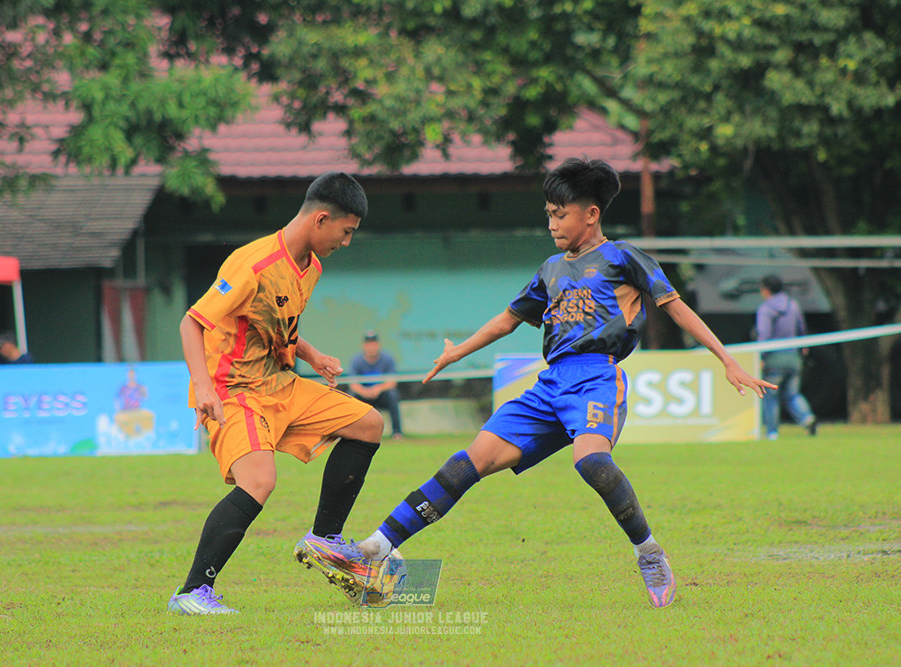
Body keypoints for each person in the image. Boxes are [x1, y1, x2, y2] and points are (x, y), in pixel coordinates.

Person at [313, 157, 775, 610]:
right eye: (549, 214)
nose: (552, 223)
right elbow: (508, 320)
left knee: (592, 462)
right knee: (467, 462)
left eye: (561, 214)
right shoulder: (550, 269)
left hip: (597, 377)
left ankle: (649, 552)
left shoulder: (625, 257)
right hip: (549, 386)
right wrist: (458, 351)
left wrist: (726, 360)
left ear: (591, 214)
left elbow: (677, 308)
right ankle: (375, 547)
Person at [166, 171, 388, 615]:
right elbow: (191, 322)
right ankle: (192, 593)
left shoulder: (312, 267)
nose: (345, 242)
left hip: (280, 383)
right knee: (260, 482)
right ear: (321, 219)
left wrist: (311, 353)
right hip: (235, 391)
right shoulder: (250, 264)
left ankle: (324, 538)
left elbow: (276, 325)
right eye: (345, 232)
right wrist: (204, 387)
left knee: (368, 423)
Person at [756, 274, 817, 439]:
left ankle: (772, 432)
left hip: (774, 359)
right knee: (793, 394)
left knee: (770, 395)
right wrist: (803, 347)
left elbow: (764, 334)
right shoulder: (793, 305)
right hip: (793, 358)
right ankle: (807, 418)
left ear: (766, 289)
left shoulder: (766, 308)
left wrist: (761, 356)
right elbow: (801, 329)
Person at [348, 331, 404, 439]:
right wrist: (364, 391)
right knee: (351, 397)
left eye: (373, 343)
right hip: (363, 396)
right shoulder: (356, 360)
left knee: (393, 395)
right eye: (368, 343)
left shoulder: (387, 359)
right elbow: (353, 384)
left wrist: (378, 389)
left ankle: (397, 432)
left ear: (378, 344)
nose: (371, 346)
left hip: (381, 395)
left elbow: (392, 382)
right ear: (364, 345)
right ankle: (351, 434)